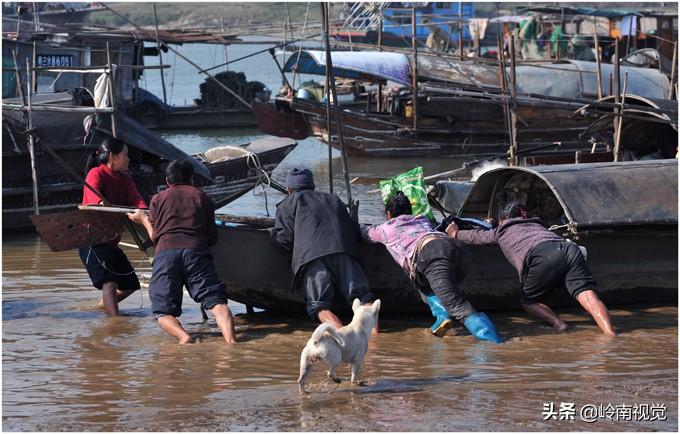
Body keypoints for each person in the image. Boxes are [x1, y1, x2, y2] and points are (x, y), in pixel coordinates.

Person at [447, 201, 616, 336]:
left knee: (528, 301)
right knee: (588, 297)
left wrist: (455, 233)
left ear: (503, 220)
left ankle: (560, 324)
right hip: (568, 249)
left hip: (541, 255)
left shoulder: (502, 231)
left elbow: (476, 237)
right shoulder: (538, 224)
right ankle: (610, 334)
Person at [362, 192, 503, 343]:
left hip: (432, 255)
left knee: (456, 304)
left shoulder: (385, 229)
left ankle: (493, 343)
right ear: (411, 211)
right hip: (458, 251)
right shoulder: (422, 219)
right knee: (423, 284)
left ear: (388, 214)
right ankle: (443, 316)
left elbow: (363, 232)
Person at [129, 160, 237, 344]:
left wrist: (143, 220)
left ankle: (183, 336)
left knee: (162, 312)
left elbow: (156, 237)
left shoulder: (157, 199)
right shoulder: (201, 197)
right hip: (196, 252)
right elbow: (212, 238)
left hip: (166, 254)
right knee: (217, 303)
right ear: (191, 179)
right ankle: (231, 343)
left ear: (167, 180)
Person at [270, 167, 376, 332]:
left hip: (313, 258)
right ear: (312, 186)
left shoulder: (287, 204)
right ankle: (376, 345)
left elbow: (284, 240)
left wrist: (273, 234)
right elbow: (354, 230)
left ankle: (342, 339)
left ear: (289, 189)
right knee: (363, 299)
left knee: (319, 306)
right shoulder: (333, 199)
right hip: (344, 252)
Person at [79, 137, 147, 316]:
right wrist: (103, 203)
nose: (128, 159)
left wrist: (143, 212)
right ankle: (114, 323)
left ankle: (104, 307)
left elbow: (136, 199)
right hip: (92, 240)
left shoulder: (125, 178)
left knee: (131, 284)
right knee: (109, 282)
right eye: (125, 155)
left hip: (111, 240)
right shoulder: (96, 173)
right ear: (112, 156)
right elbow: (95, 201)